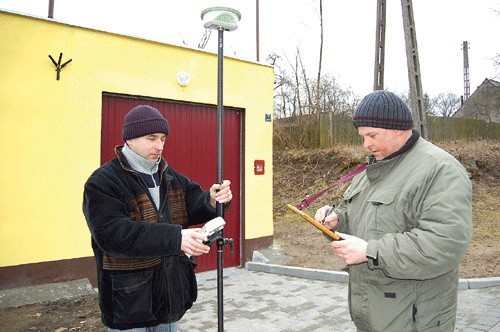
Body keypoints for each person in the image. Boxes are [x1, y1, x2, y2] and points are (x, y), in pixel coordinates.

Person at [314, 90, 472, 331]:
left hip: (415, 318)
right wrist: (337, 221)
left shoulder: (440, 170)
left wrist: (371, 251)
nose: (366, 144)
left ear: (398, 129)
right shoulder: (376, 168)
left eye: (372, 135)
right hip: (374, 315)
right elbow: (362, 215)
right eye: (362, 136)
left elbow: (444, 244)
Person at [83, 105, 232, 331]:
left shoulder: (168, 175)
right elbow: (112, 234)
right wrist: (175, 238)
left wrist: (212, 200)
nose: (159, 146)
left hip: (169, 298)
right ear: (129, 139)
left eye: (163, 138)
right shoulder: (103, 182)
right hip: (129, 304)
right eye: (151, 138)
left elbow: (193, 203)